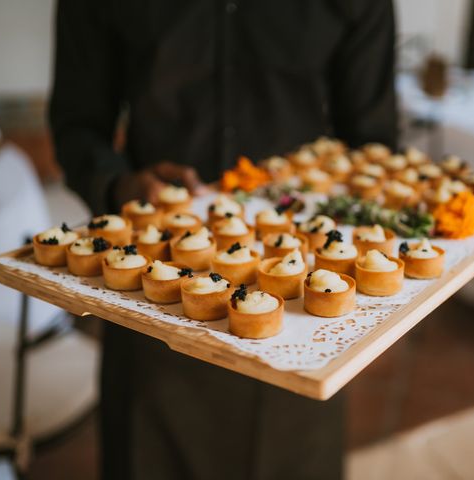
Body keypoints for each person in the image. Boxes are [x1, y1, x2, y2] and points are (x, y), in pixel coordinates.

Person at [50, 1, 397, 478]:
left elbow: (374, 138)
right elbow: (77, 121)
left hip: (299, 304)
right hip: (157, 290)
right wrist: (118, 184)